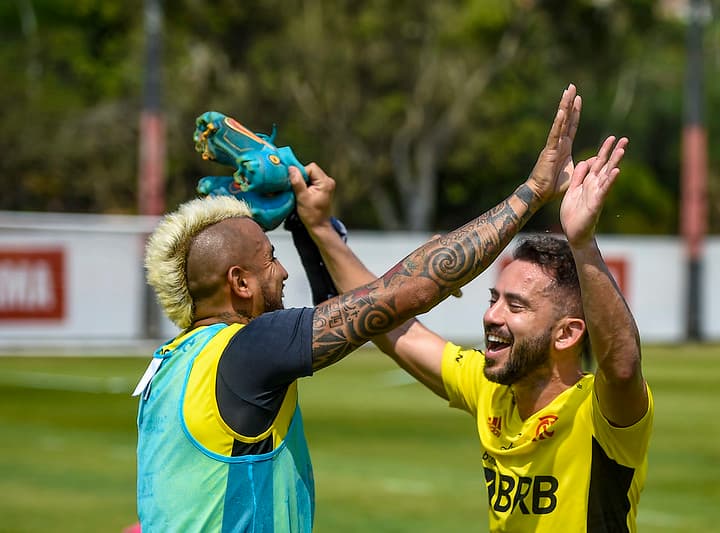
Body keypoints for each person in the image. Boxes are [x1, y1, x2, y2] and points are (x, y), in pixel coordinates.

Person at [133, 84, 587, 532]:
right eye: (270, 260)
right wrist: (533, 191)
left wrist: (304, 223)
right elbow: (404, 293)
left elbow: (341, 314)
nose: (283, 274)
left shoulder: (175, 362)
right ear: (240, 283)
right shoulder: (250, 349)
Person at [302, 122, 650, 529]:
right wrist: (322, 228)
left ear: (568, 333)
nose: (492, 316)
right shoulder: (491, 389)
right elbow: (388, 324)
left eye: (515, 306)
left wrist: (583, 242)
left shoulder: (600, 413)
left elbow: (623, 368)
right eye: (493, 299)